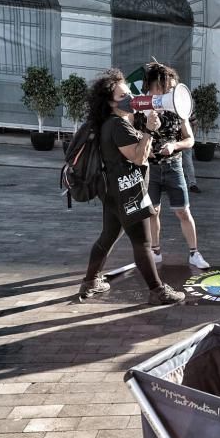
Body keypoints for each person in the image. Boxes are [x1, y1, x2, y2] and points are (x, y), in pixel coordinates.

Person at [79, 69, 185, 305]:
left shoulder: (111, 123)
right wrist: (148, 130)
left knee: (106, 238)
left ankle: (90, 281)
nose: (129, 98)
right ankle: (158, 291)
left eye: (129, 93)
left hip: (112, 191)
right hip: (129, 192)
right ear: (110, 103)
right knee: (143, 243)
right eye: (122, 96)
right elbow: (138, 157)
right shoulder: (117, 126)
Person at [140, 62, 211, 270]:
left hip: (173, 167)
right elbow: (132, 136)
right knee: (153, 212)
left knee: (183, 212)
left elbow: (190, 140)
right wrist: (145, 148)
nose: (170, 92)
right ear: (152, 87)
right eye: (165, 87)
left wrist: (174, 145)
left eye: (172, 88)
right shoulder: (141, 108)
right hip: (150, 169)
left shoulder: (178, 110)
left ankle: (194, 253)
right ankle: (156, 251)